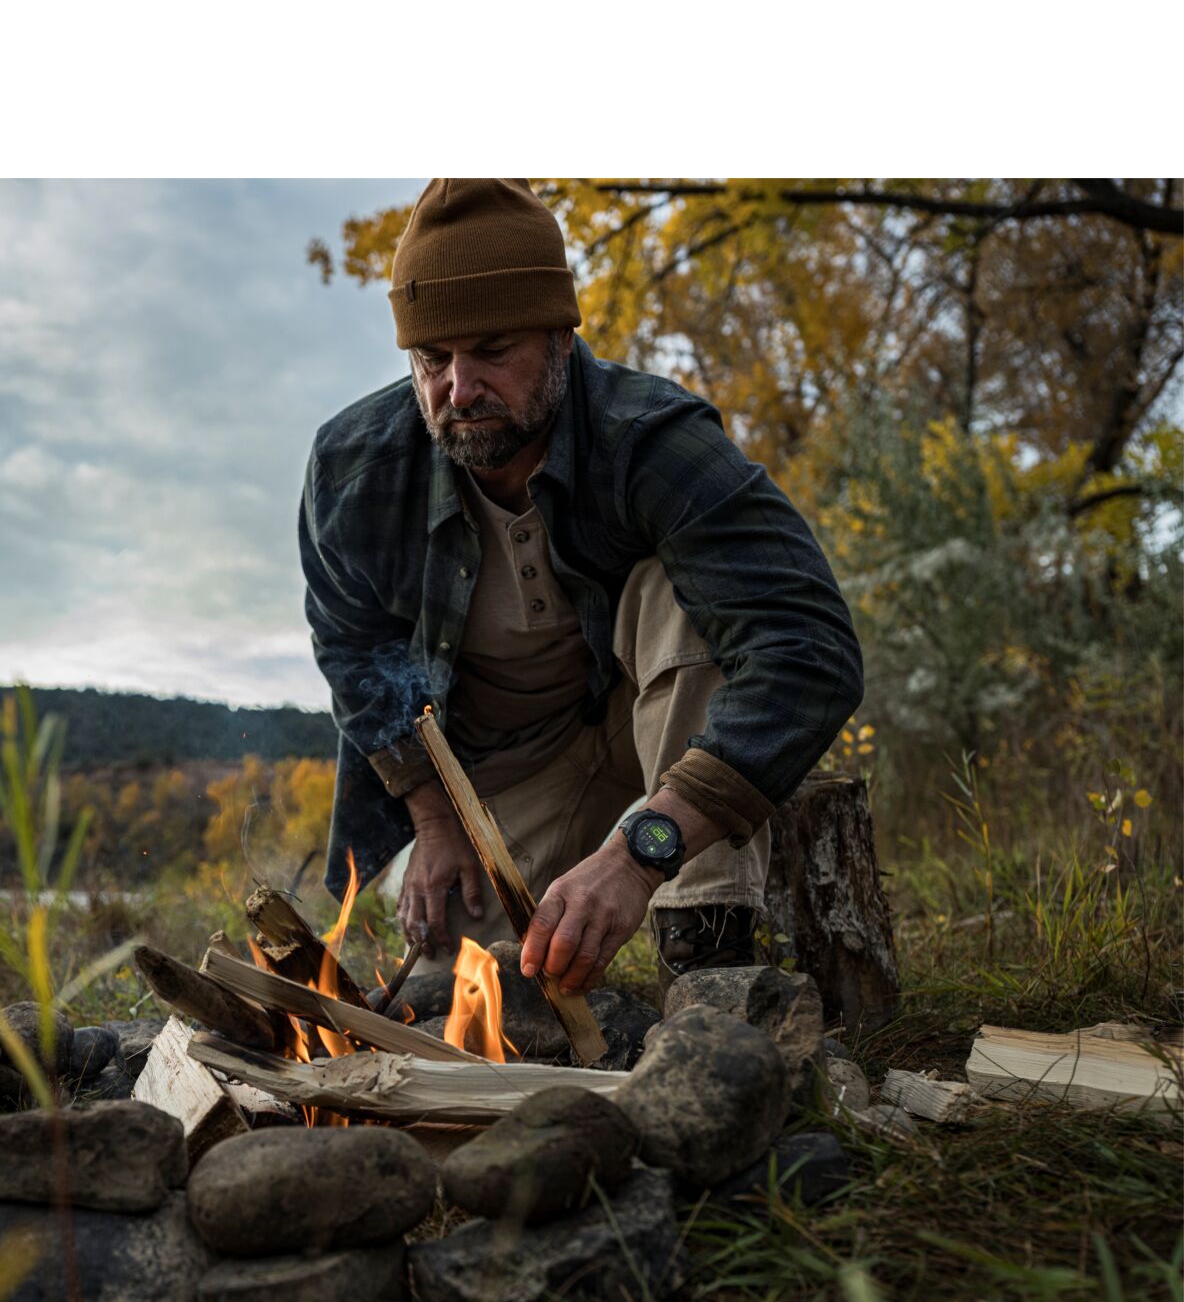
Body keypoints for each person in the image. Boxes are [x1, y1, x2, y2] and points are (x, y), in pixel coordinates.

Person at [298, 178, 863, 997]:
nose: (459, 390)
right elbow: (353, 649)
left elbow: (809, 650)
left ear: (562, 338)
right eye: (432, 360)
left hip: (662, 734)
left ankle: (706, 959)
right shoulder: (353, 468)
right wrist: (434, 816)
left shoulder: (654, 442)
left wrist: (640, 855)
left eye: (493, 350)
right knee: (476, 985)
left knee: (678, 594)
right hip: (510, 764)